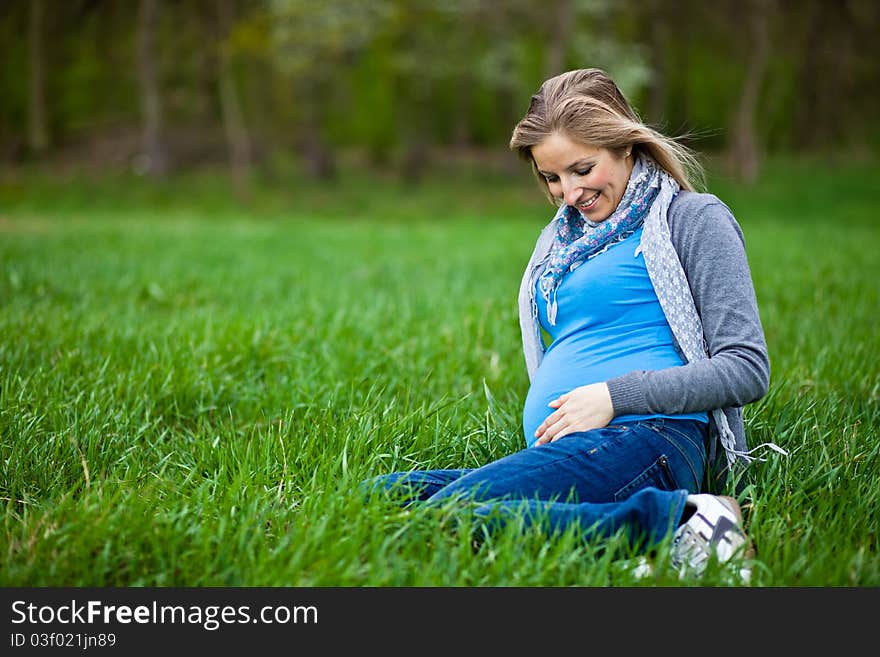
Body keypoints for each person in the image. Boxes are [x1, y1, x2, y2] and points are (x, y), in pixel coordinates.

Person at [363, 68, 776, 578]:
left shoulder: (693, 219)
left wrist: (613, 396)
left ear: (626, 146)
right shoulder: (564, 242)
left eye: (583, 169)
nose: (569, 192)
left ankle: (678, 519)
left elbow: (746, 369)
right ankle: (633, 551)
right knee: (376, 497)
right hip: (580, 444)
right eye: (551, 178)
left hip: (651, 438)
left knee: (441, 517)